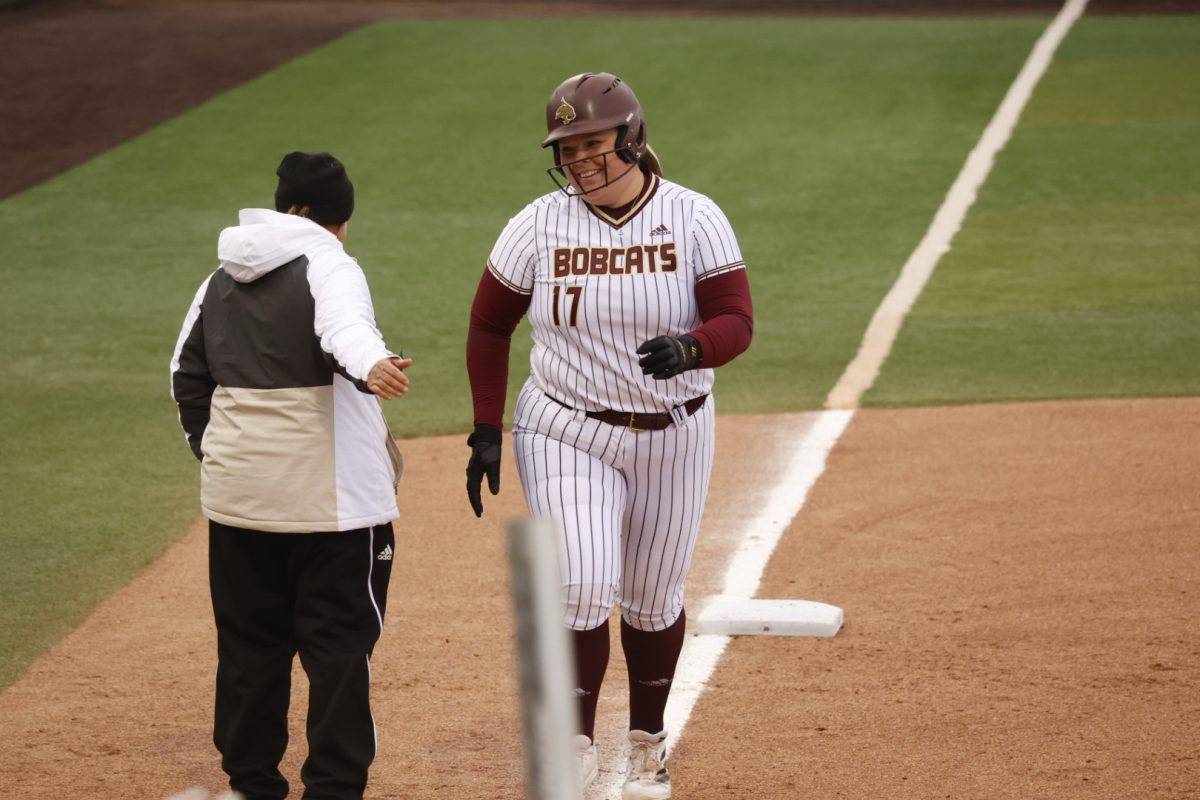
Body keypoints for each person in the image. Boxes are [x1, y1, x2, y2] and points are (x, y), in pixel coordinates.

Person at [465, 72, 753, 799]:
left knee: (653, 600)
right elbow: (490, 323)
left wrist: (693, 348)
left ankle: (648, 743)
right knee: (583, 583)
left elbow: (735, 320)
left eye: (592, 145)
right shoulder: (538, 224)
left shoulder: (693, 217)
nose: (579, 162)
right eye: (567, 149)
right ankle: (574, 749)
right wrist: (485, 428)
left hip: (674, 434)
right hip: (566, 425)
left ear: (631, 137)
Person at [170, 151, 412, 800]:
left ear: (284, 206)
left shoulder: (217, 278)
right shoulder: (331, 264)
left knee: (250, 647)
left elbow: (184, 377)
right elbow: (345, 329)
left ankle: (251, 785)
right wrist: (373, 365)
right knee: (338, 648)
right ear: (340, 219)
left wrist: (219, 454)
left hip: (240, 501)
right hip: (331, 510)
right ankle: (332, 789)